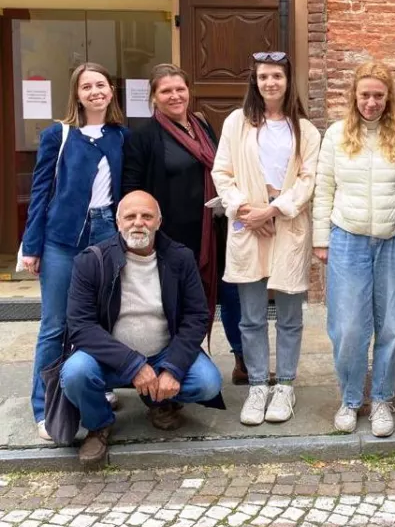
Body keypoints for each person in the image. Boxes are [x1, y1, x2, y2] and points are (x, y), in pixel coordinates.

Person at [61, 191, 225, 465]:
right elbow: (80, 326)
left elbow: (197, 316)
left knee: (207, 383)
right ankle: (98, 424)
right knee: (76, 373)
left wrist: (172, 368)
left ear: (159, 222)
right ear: (118, 222)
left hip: (163, 354)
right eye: (131, 216)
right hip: (110, 359)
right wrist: (133, 365)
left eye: (147, 216)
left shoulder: (180, 258)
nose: (139, 223)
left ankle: (159, 401)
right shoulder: (91, 261)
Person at [20, 62, 129, 440]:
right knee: (55, 325)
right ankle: (45, 407)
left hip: (106, 233)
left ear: (111, 90)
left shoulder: (120, 136)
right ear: (77, 94)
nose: (95, 91)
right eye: (87, 86)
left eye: (101, 84)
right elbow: (40, 194)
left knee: (100, 320)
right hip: (62, 237)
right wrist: (31, 246)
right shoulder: (59, 135)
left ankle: (94, 385)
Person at [212, 51, 321, 426]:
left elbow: (308, 179)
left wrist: (273, 211)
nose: (270, 83)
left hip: (287, 226)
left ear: (288, 80)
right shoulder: (236, 123)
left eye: (276, 76)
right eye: (263, 77)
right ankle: (258, 383)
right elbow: (222, 172)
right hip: (248, 227)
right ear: (254, 82)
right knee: (252, 316)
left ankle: (285, 384)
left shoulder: (305, 130)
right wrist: (245, 210)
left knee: (289, 314)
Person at [122, 64, 244, 384]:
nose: (175, 96)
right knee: (178, 305)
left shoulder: (201, 125)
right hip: (174, 237)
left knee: (231, 296)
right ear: (154, 97)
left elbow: (221, 168)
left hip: (215, 230)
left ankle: (242, 360)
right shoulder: (144, 135)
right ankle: (175, 370)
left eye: (180, 89)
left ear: (189, 91)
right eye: (166, 91)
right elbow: (132, 188)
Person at [312, 61, 395, 437]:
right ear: (354, 96)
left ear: (389, 98)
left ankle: (383, 400)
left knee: (389, 325)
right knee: (349, 328)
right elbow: (324, 188)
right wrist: (320, 239)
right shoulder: (337, 135)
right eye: (365, 95)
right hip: (348, 238)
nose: (371, 102)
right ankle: (351, 398)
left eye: (378, 95)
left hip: (393, 239)